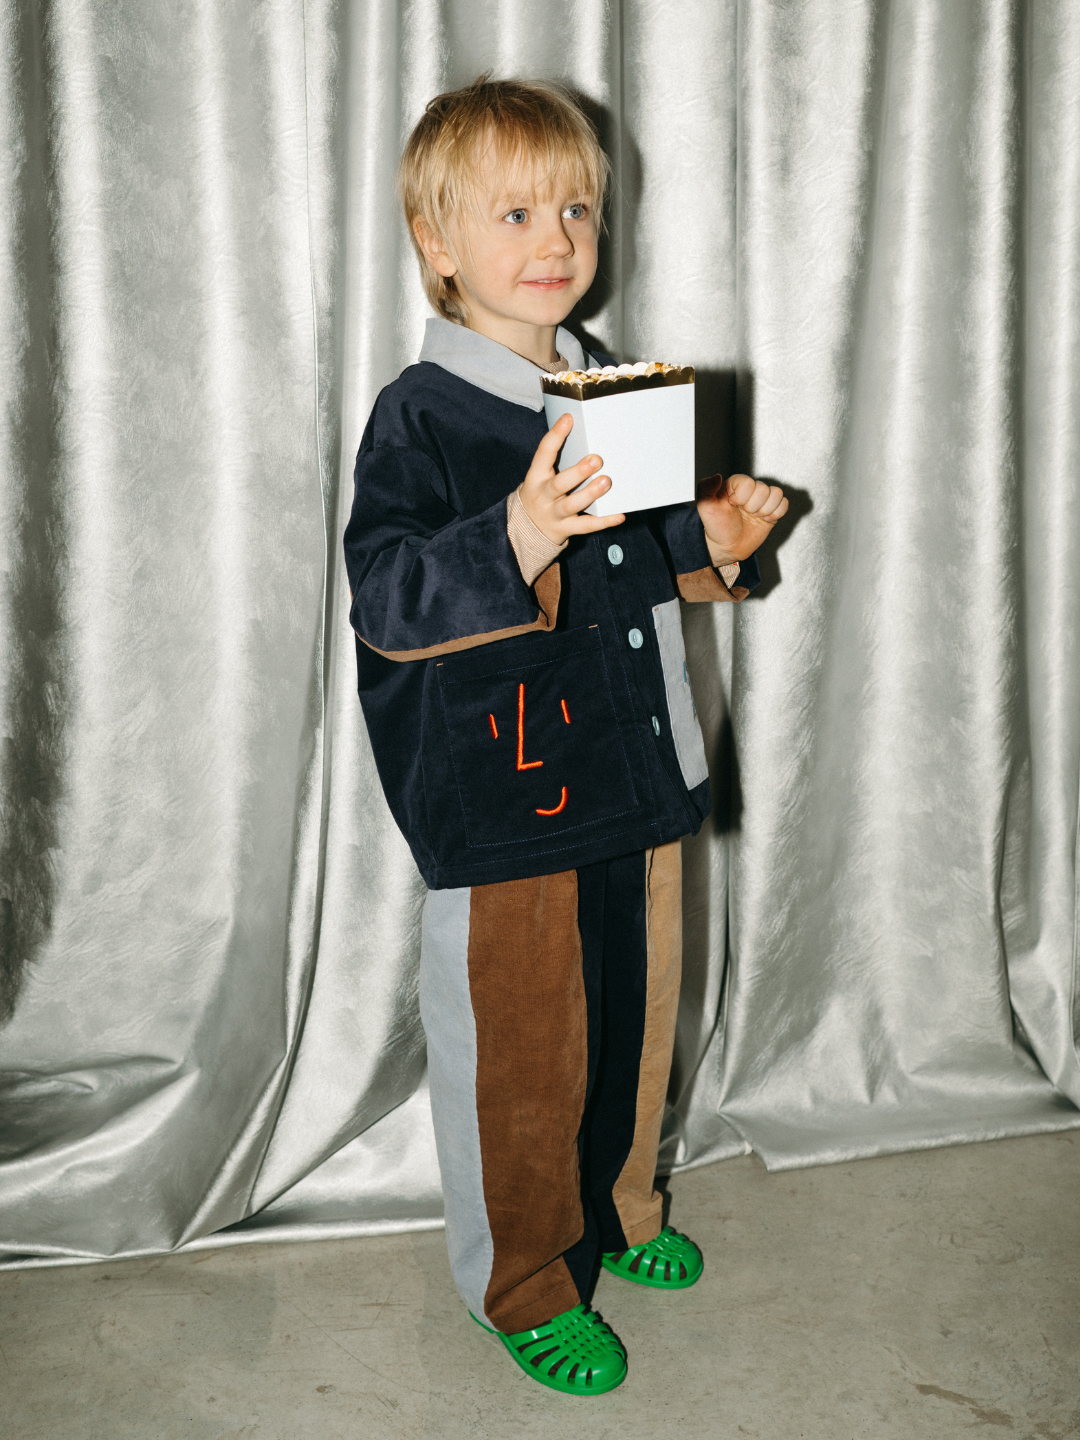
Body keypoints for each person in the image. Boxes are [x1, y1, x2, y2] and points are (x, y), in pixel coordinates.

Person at [343, 76, 787, 1396]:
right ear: (437, 244)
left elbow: (645, 556)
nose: (556, 240)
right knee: (525, 1054)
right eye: (518, 212)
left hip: (637, 770)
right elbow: (388, 595)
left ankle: (624, 1209)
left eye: (577, 209)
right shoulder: (424, 417)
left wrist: (710, 545)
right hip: (509, 791)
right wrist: (522, 533)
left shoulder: (609, 384)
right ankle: (523, 1278)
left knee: (638, 1019)